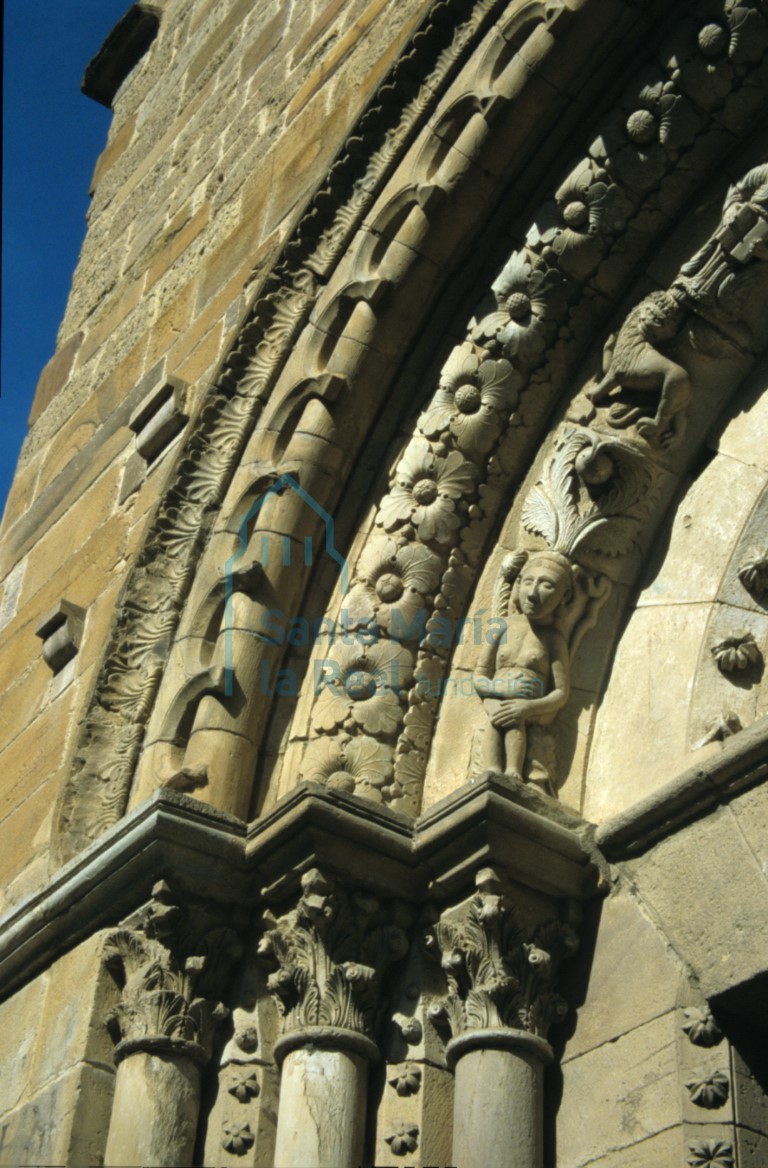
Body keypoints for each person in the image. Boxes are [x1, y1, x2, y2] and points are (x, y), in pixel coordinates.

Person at [475, 550, 573, 784]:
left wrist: (528, 708)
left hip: (526, 710)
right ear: (518, 584)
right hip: (496, 701)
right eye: (528, 581)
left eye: (547, 585)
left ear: (564, 596)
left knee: (514, 726)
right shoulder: (501, 627)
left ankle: (514, 771)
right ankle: (491, 770)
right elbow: (479, 675)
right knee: (494, 725)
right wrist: (498, 691)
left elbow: (561, 693)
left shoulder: (553, 639)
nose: (533, 593)